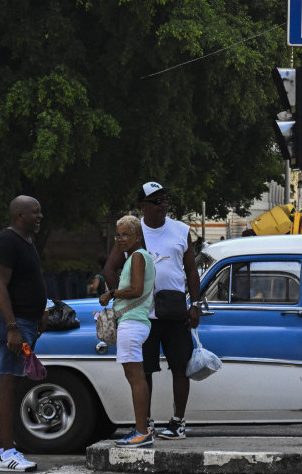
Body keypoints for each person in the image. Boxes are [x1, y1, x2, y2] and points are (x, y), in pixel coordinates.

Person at [104, 181, 202, 441]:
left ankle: (178, 423)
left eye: (164, 200)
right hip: (143, 315)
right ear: (143, 206)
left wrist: (196, 304)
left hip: (174, 311)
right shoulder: (133, 233)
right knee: (143, 370)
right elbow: (109, 269)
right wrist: (122, 299)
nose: (163, 205)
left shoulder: (181, 230)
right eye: (156, 201)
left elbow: (191, 270)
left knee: (180, 367)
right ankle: (143, 424)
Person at [0, 195, 48, 472]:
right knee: (10, 383)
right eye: (35, 213)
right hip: (16, 327)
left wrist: (42, 311)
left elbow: (29, 281)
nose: (40, 216)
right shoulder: (6, 241)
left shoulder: (27, 242)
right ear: (20, 215)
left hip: (27, 324)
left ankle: (8, 447)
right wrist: (12, 328)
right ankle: (5, 451)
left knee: (16, 381)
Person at [99, 215, 157, 448]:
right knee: (136, 377)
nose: (121, 239)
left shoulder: (138, 257)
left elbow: (136, 289)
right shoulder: (137, 256)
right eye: (118, 235)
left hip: (132, 322)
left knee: (136, 378)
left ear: (138, 236)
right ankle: (141, 428)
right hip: (133, 322)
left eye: (126, 234)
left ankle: (142, 432)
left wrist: (111, 294)